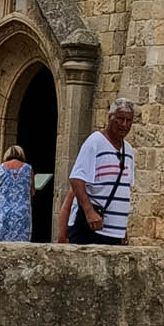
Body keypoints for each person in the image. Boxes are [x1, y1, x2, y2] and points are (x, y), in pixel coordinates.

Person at [57, 97, 135, 244]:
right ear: (110, 118)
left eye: (129, 120)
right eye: (120, 119)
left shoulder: (128, 150)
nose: (124, 124)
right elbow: (76, 179)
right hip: (92, 229)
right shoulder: (95, 142)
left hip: (114, 232)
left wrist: (123, 228)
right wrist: (89, 212)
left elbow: (121, 189)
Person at [0, 143, 38, 243]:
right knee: (21, 243)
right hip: (22, 211)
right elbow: (32, 191)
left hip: (2, 210)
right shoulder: (28, 169)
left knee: (1, 243)